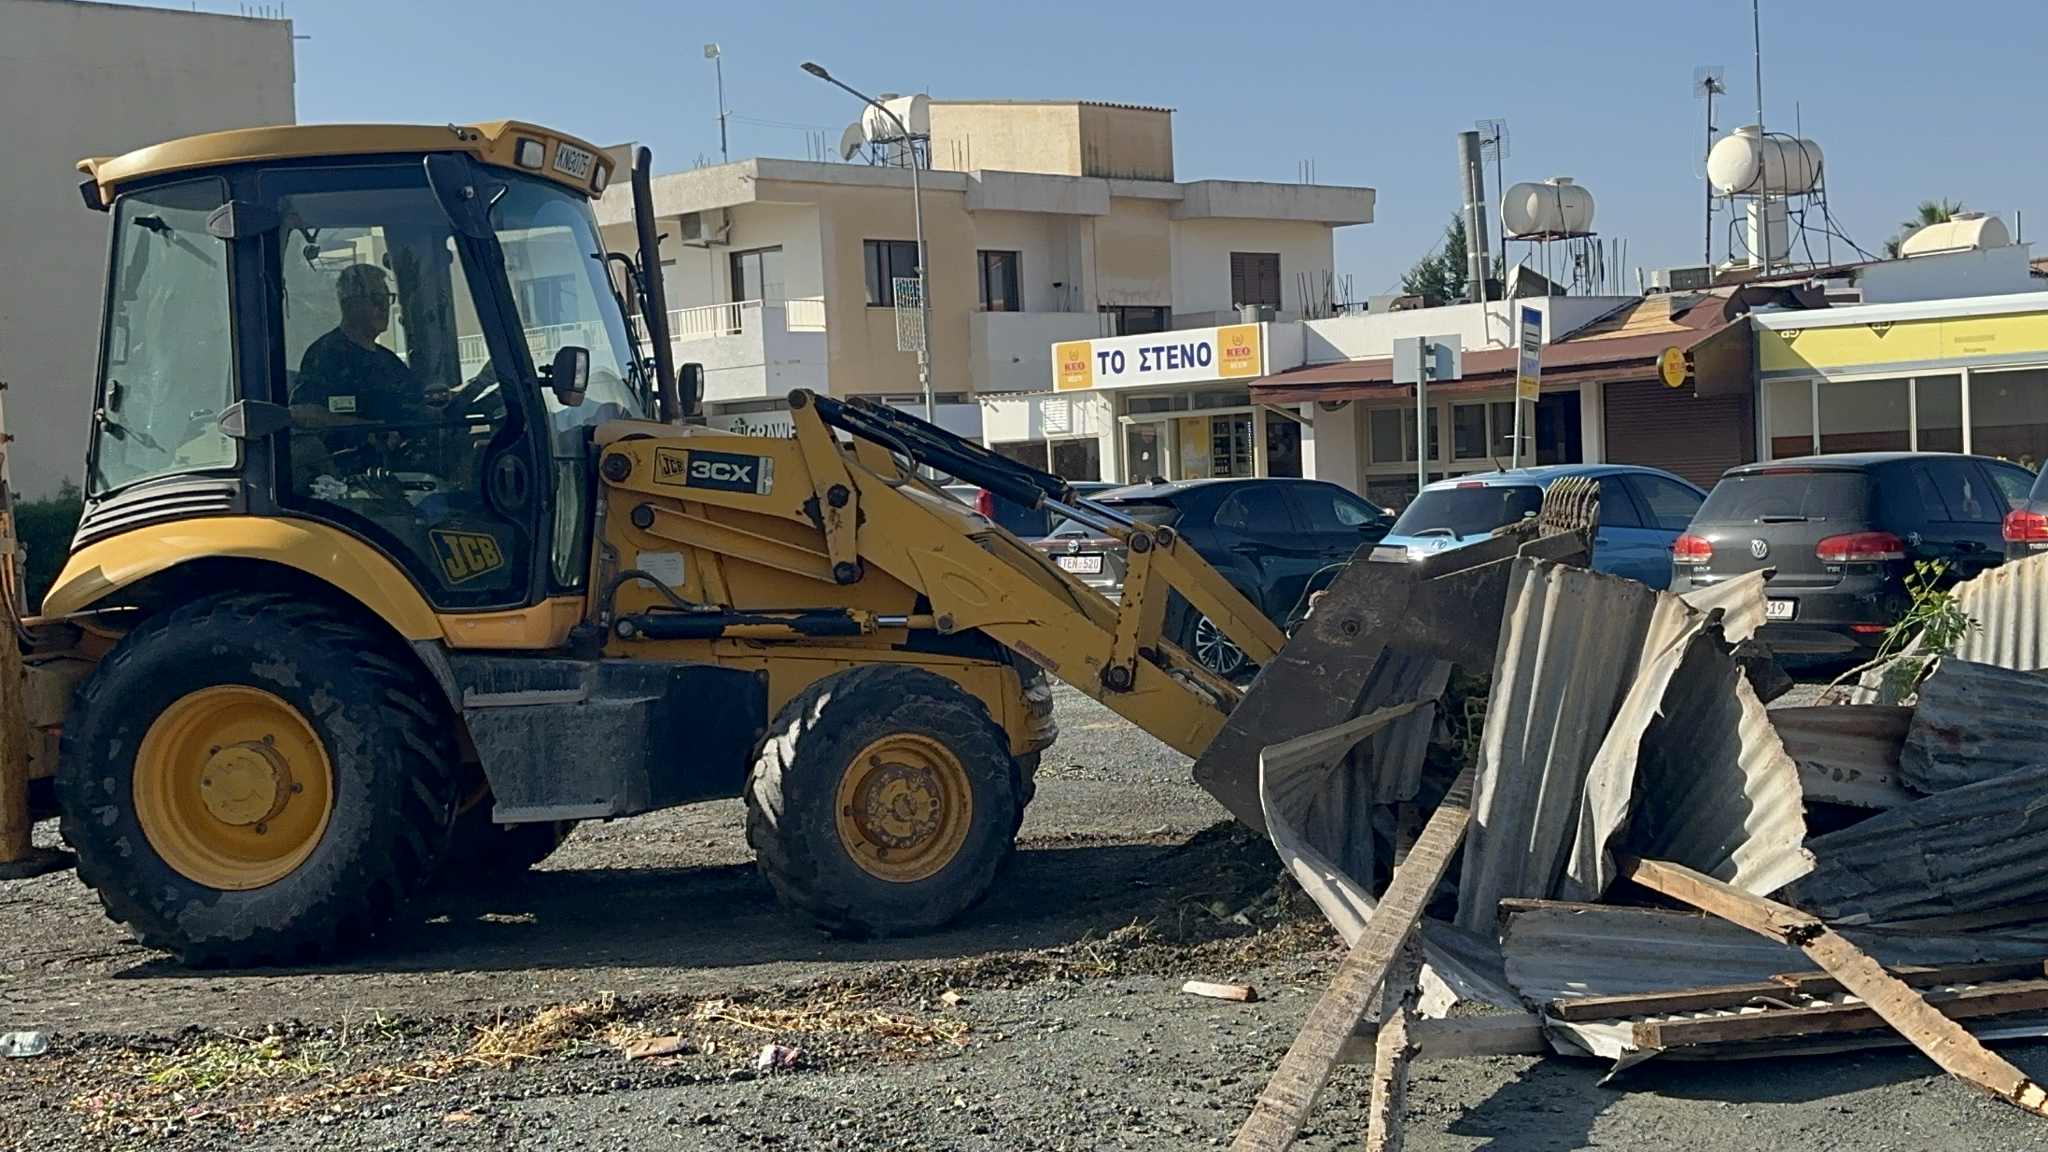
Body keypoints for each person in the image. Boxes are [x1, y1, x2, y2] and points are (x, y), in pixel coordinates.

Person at [292, 263, 447, 433]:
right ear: (349, 304)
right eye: (377, 299)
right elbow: (305, 415)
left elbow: (421, 406)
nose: (385, 307)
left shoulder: (389, 361)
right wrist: (371, 432)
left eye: (387, 299)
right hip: (355, 457)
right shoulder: (325, 356)